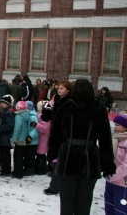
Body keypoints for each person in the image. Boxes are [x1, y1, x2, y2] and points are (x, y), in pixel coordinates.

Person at [48, 79, 116, 215]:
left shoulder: (66, 107)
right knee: (85, 201)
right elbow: (105, 140)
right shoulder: (99, 109)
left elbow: (55, 135)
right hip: (90, 158)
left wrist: (53, 156)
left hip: (68, 157)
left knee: (67, 200)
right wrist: (107, 164)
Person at [104, 114, 127, 214]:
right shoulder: (114, 139)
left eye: (117, 125)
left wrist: (112, 175)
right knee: (109, 207)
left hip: (123, 183)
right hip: (110, 180)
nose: (115, 127)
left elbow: (125, 166)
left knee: (120, 210)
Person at [10, 101, 30, 179]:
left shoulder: (18, 116)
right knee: (22, 156)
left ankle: (17, 172)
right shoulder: (27, 115)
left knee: (17, 157)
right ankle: (20, 171)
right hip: (25, 138)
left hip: (19, 139)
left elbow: (17, 129)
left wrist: (13, 139)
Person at [0, 95, 15, 176]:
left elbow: (9, 125)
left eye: (3, 103)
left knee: (5, 154)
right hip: (1, 137)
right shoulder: (2, 111)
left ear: (8, 104)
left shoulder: (9, 113)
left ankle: (6, 170)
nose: (1, 104)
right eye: (1, 102)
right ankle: (3, 168)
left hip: (5, 137)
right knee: (1, 153)